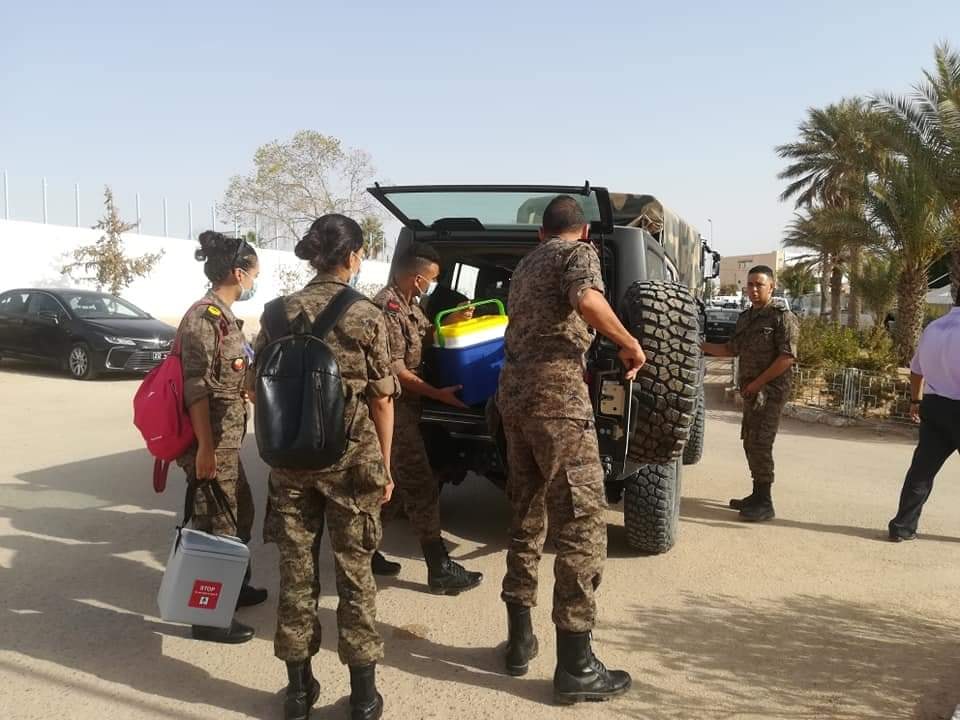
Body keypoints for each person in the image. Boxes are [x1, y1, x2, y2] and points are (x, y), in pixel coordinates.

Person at [497, 195, 645, 704]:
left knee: (526, 513)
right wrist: (629, 342)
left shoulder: (524, 265)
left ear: (540, 232)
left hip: (512, 396)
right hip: (557, 397)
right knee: (582, 523)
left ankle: (519, 642)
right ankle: (577, 665)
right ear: (582, 232)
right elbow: (586, 299)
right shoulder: (576, 255)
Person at [250, 215, 398, 720]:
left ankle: (297, 692)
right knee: (355, 577)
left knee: (296, 576)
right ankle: (362, 698)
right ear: (353, 256)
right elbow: (383, 399)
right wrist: (387, 465)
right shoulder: (366, 315)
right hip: (351, 466)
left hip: (289, 467)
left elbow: (255, 389)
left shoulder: (273, 314)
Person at [371, 243, 484, 594]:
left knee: (400, 489)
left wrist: (448, 323)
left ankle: (365, 549)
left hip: (408, 410)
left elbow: (424, 337)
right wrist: (439, 395)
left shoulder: (410, 305)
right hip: (394, 412)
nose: (433, 286)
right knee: (420, 487)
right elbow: (396, 370)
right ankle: (440, 569)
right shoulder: (385, 309)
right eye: (432, 280)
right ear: (417, 278)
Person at [178, 230, 266, 645]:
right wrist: (206, 451)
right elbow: (195, 388)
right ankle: (210, 616)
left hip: (227, 442)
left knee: (239, 515)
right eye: (253, 275)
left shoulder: (226, 317)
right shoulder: (203, 318)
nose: (254, 282)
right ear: (237, 272)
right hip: (211, 444)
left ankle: (237, 585)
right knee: (215, 527)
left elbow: (227, 374)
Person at [702, 265, 799, 522]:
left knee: (761, 443)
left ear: (772, 287)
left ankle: (765, 502)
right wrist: (700, 345)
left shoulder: (782, 318)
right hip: (752, 392)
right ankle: (757, 495)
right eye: (750, 285)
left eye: (760, 285)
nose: (754, 290)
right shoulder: (746, 318)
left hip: (771, 391)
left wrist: (757, 383)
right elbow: (731, 348)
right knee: (750, 441)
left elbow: (787, 358)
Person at [888, 293, 960, 541]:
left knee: (921, 470)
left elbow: (916, 369)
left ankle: (902, 526)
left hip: (934, 405)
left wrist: (916, 400)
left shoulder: (934, 328)